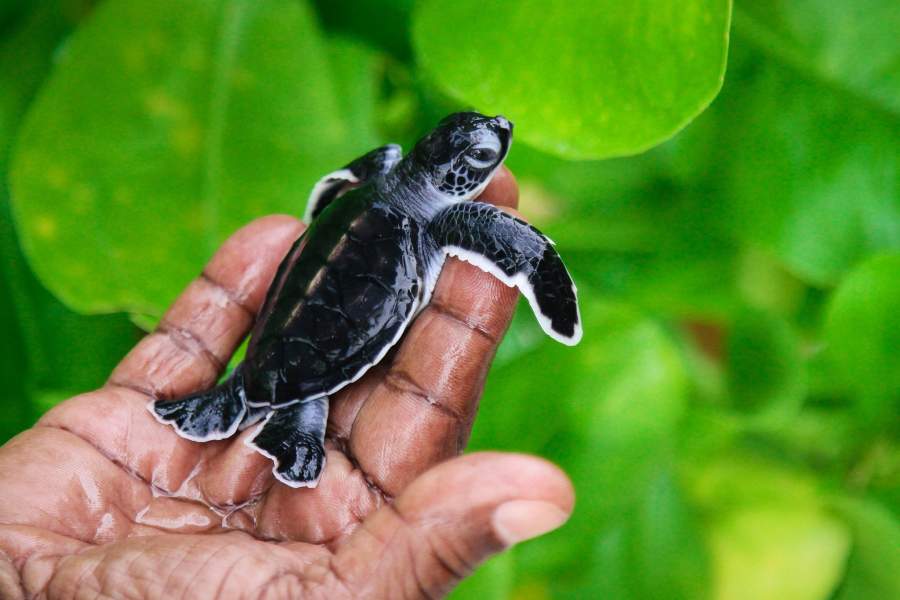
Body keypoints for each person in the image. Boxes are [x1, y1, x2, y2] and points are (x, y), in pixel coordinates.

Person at [0, 168, 573, 599]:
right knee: (312, 394)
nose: (496, 144)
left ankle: (250, 401)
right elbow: (516, 246)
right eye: (477, 155)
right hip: (318, 348)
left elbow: (328, 202)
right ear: (454, 177)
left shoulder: (377, 174)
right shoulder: (451, 219)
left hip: (273, 340)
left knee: (297, 365)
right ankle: (292, 424)